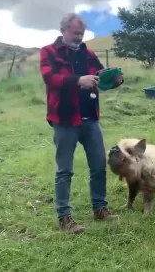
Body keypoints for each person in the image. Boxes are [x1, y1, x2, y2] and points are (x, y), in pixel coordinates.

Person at [39, 13, 122, 234]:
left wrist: (114, 79)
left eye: (82, 34)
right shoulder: (49, 52)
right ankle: (64, 218)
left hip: (90, 119)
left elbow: (100, 78)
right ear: (63, 30)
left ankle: (100, 209)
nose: (79, 37)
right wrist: (78, 81)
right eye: (76, 33)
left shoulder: (88, 53)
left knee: (98, 166)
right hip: (65, 120)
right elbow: (51, 78)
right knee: (64, 170)